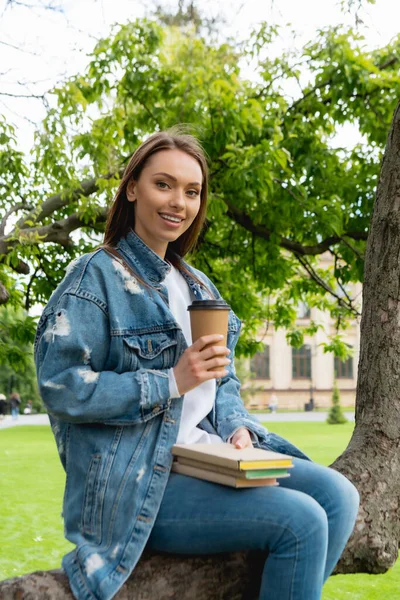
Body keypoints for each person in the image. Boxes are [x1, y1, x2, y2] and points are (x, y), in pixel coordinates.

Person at [34, 128, 359, 600]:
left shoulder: (197, 284)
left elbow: (221, 378)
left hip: (208, 457)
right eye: (163, 184)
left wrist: (234, 428)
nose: (178, 203)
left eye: (192, 191)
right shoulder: (94, 277)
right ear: (132, 188)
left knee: (339, 496)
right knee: (302, 521)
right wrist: (168, 381)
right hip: (140, 481)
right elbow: (61, 386)